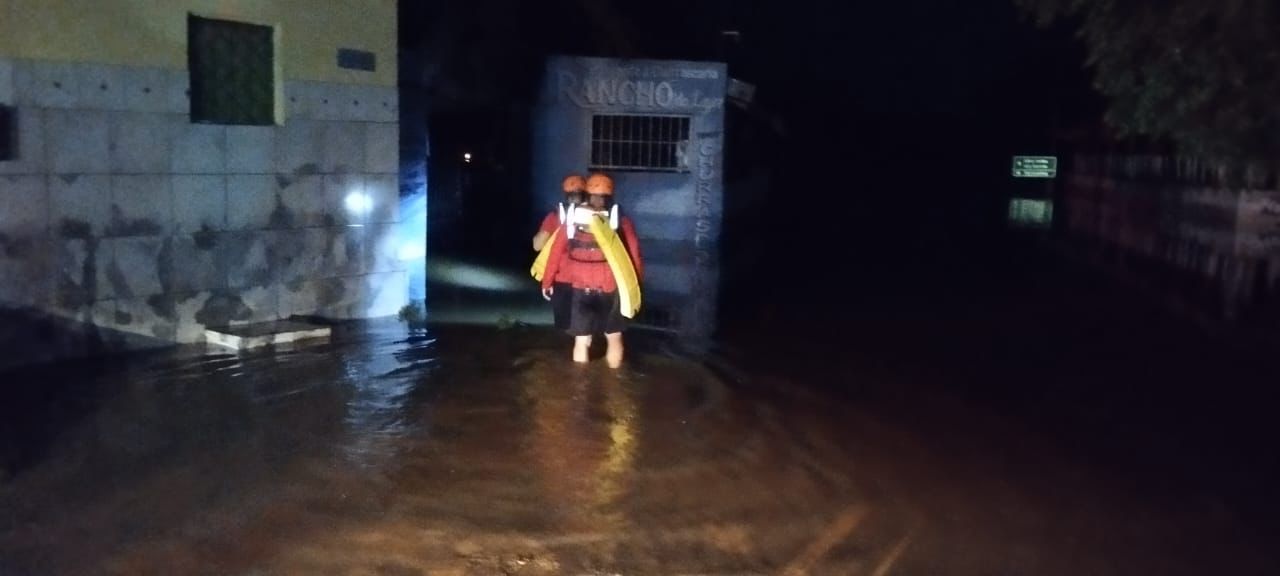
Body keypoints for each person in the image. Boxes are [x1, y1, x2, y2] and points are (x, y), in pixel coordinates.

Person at [540, 172, 643, 368]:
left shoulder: (572, 220)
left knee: (581, 341)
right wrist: (636, 285)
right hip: (610, 289)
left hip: (580, 289)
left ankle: (579, 388)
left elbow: (555, 253)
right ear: (611, 195)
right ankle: (615, 387)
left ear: (586, 194)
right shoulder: (620, 220)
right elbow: (634, 253)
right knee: (614, 337)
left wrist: (547, 281)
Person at [532, 174, 586, 330]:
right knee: (587, 327)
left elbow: (537, 245)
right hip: (590, 280)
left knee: (566, 327)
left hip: (561, 278)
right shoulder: (596, 216)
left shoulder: (555, 216)